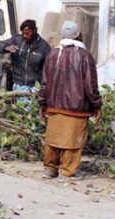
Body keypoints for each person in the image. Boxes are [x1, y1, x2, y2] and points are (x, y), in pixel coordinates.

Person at [38, 20, 102, 180]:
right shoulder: (85, 56)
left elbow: (45, 82)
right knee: (73, 142)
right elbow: (90, 84)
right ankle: (66, 172)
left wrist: (42, 103)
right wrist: (97, 104)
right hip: (77, 108)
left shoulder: (52, 54)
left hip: (54, 106)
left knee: (53, 140)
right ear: (79, 35)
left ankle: (50, 169)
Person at [0, 19, 51, 94]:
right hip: (18, 84)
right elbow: (0, 44)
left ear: (35, 30)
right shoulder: (17, 40)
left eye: (27, 33)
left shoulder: (44, 47)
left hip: (34, 87)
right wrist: (6, 48)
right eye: (23, 33)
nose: (24, 36)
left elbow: (48, 69)